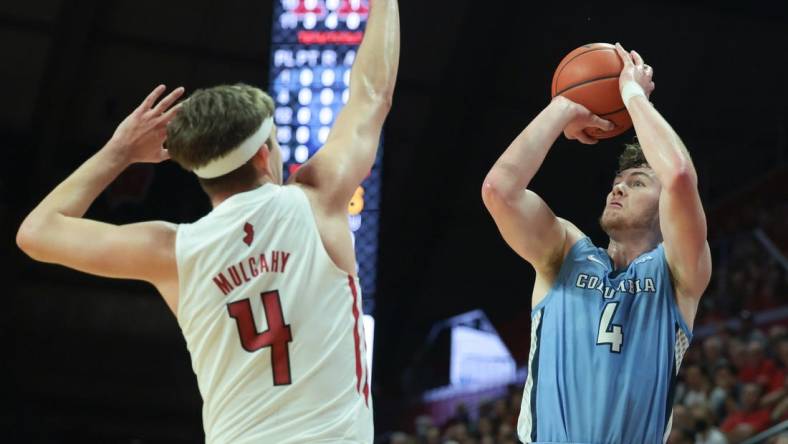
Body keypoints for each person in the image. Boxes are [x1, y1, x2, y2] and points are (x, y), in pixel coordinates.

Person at [15, 0, 400, 441]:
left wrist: (118, 151)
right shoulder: (318, 197)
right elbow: (372, 95)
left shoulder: (172, 251)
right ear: (262, 153)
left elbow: (36, 232)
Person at [482, 43, 711, 443]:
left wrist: (632, 94)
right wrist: (564, 107)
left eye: (637, 182)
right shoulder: (565, 251)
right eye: (616, 182)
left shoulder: (678, 274)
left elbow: (676, 175)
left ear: (666, 210)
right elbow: (499, 190)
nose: (618, 188)